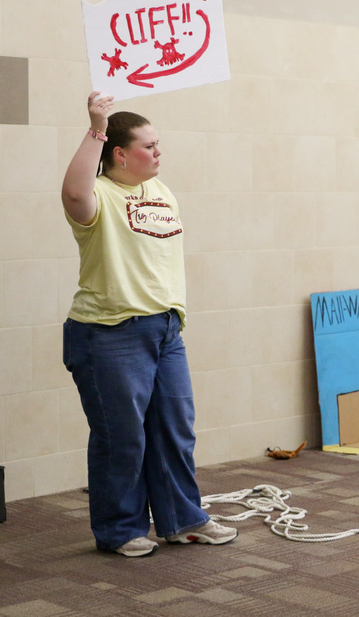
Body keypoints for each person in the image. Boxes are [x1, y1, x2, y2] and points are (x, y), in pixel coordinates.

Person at [61, 92, 237, 557]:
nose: (159, 153)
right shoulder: (98, 194)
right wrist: (96, 125)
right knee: (123, 437)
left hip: (165, 330)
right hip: (108, 333)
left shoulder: (159, 190)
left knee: (175, 428)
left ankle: (182, 520)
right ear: (119, 153)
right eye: (149, 146)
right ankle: (120, 530)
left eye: (159, 144)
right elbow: (74, 193)